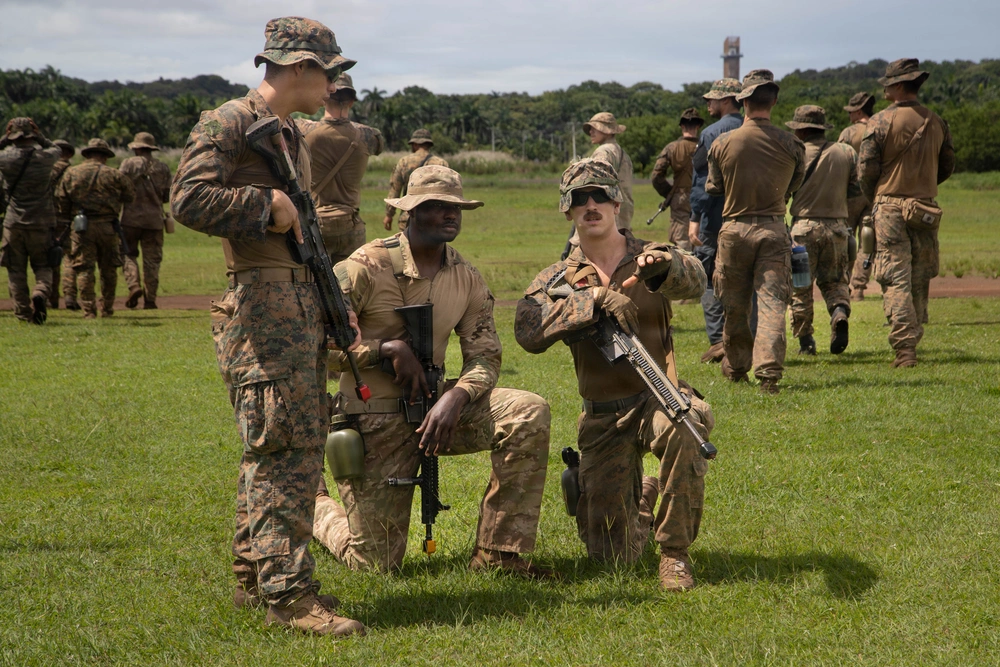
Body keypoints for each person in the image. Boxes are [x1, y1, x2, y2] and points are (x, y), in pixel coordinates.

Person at [170, 16, 366, 638]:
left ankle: (255, 578)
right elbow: (188, 198)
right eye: (328, 72)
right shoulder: (229, 120)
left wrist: (333, 304)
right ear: (301, 67)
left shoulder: (286, 134)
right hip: (260, 307)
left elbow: (306, 236)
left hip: (295, 301)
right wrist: (266, 207)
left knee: (281, 446)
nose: (332, 85)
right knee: (286, 449)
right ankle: (290, 595)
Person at [312, 165, 553, 578]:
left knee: (526, 411)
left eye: (455, 207)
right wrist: (385, 350)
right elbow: (316, 346)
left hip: (435, 410)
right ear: (410, 212)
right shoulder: (363, 266)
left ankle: (498, 552)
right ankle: (315, 504)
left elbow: (485, 357)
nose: (450, 215)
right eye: (436, 206)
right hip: (373, 417)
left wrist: (456, 397)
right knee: (374, 565)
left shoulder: (466, 277)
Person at [515, 158, 712, 591]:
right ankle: (642, 496)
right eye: (579, 198)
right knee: (610, 557)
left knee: (686, 426)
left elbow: (697, 281)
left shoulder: (652, 256)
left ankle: (675, 555)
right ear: (566, 209)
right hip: (603, 416)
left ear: (617, 201)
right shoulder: (557, 277)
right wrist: (593, 301)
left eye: (601, 195)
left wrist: (666, 268)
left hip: (656, 399)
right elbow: (527, 330)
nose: (591, 204)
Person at [707, 69, 805, 394]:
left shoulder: (722, 143)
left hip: (734, 230)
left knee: (734, 305)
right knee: (773, 304)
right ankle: (769, 376)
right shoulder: (793, 144)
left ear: (742, 100)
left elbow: (713, 187)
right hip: (774, 230)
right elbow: (794, 185)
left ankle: (736, 367)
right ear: (774, 101)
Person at [858, 58, 955, 368]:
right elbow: (947, 166)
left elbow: (866, 170)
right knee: (919, 276)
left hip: (889, 208)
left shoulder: (880, 122)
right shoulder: (936, 121)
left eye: (889, 82)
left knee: (895, 277)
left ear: (899, 85)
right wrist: (922, 184)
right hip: (925, 207)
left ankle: (904, 348)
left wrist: (880, 194)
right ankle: (913, 336)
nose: (885, 87)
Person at [786, 105, 860, 356]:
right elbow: (856, 189)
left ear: (801, 130)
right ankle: (839, 312)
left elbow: (784, 191)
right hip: (837, 229)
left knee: (800, 287)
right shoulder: (846, 152)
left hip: (802, 231)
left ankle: (806, 342)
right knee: (836, 281)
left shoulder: (795, 153)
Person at [297, 72, 384, 265]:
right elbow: (379, 146)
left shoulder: (303, 130)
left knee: (313, 285)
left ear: (326, 96)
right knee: (350, 286)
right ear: (352, 101)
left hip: (316, 222)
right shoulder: (368, 135)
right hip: (350, 224)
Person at [688, 79, 746, 364]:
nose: (708, 103)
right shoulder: (757, 129)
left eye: (712, 99)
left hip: (715, 219)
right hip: (751, 218)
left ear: (726, 101)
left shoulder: (711, 133)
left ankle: (718, 343)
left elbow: (702, 181)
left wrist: (694, 217)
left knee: (709, 280)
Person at [54, 138, 134, 319]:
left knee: (84, 269)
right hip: (108, 227)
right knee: (109, 269)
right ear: (105, 156)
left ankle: (89, 310)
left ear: (88, 154)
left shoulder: (72, 173)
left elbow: (61, 199)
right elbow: (130, 196)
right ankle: (107, 308)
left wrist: (70, 217)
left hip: (82, 228)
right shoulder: (114, 174)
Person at [0, 118, 61, 324]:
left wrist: (5, 138)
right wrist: (40, 136)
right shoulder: (45, 157)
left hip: (14, 222)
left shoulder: (5, 158)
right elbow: (56, 148)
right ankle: (41, 292)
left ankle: (23, 313)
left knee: (15, 270)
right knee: (44, 266)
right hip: (42, 222)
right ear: (32, 134)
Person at [119, 132, 171, 310]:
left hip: (129, 220)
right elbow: (166, 197)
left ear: (136, 148)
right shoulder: (162, 168)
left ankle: (133, 285)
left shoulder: (127, 164)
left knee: (128, 255)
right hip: (154, 221)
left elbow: (119, 188)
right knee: (152, 261)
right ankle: (150, 300)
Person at [839, 92, 876, 301]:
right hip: (874, 194)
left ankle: (844, 286)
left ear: (859, 110)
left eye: (851, 111)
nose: (849, 115)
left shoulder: (848, 133)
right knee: (868, 241)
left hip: (850, 194)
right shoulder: (879, 128)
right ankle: (860, 287)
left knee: (846, 241)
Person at [651, 108, 704, 251]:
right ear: (698, 126)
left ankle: (685, 270)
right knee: (704, 237)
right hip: (704, 196)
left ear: (681, 126)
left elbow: (656, 176)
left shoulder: (672, 148)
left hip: (680, 198)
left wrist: (670, 193)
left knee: (682, 241)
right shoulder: (706, 146)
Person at [382, 129, 448, 232]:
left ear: (415, 144)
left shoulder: (404, 162)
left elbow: (395, 190)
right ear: (429, 144)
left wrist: (389, 214)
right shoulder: (441, 163)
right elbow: (447, 193)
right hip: (434, 216)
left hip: (409, 214)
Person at [48, 139, 77, 310]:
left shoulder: (44, 170)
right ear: (69, 154)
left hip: (48, 220)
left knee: (50, 259)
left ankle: (51, 299)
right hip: (70, 222)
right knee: (70, 259)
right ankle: (70, 298)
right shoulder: (74, 172)